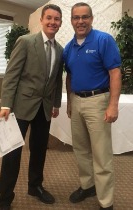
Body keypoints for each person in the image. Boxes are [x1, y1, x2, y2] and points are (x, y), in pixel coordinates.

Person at [0, 4, 63, 210]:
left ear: (60, 23)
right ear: (42, 20)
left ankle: (35, 187)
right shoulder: (25, 42)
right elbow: (11, 75)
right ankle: (5, 197)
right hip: (20, 107)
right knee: (12, 153)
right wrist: (6, 104)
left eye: (57, 19)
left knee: (39, 150)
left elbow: (57, 80)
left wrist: (56, 104)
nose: (53, 22)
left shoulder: (60, 50)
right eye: (49, 18)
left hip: (44, 108)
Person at [63, 2, 121, 210]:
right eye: (76, 18)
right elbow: (69, 76)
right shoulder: (69, 47)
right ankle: (88, 186)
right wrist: (70, 102)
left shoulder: (103, 40)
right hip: (77, 101)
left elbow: (115, 72)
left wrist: (113, 105)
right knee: (80, 149)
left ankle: (106, 202)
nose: (80, 21)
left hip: (98, 101)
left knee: (101, 153)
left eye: (84, 17)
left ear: (91, 19)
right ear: (71, 21)